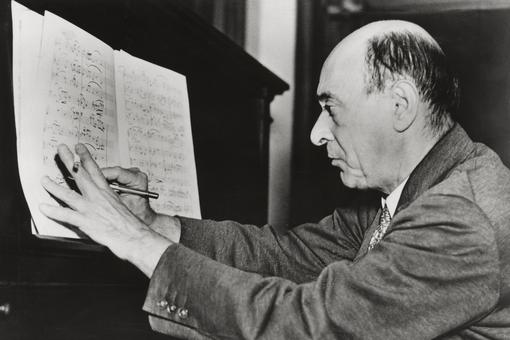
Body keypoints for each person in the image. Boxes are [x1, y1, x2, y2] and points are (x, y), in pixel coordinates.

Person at [39, 20, 510, 339]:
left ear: (400, 106)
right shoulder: (402, 190)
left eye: (330, 109)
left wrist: (134, 242)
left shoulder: (459, 217)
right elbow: (284, 257)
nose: (315, 133)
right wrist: (155, 223)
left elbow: (310, 326)